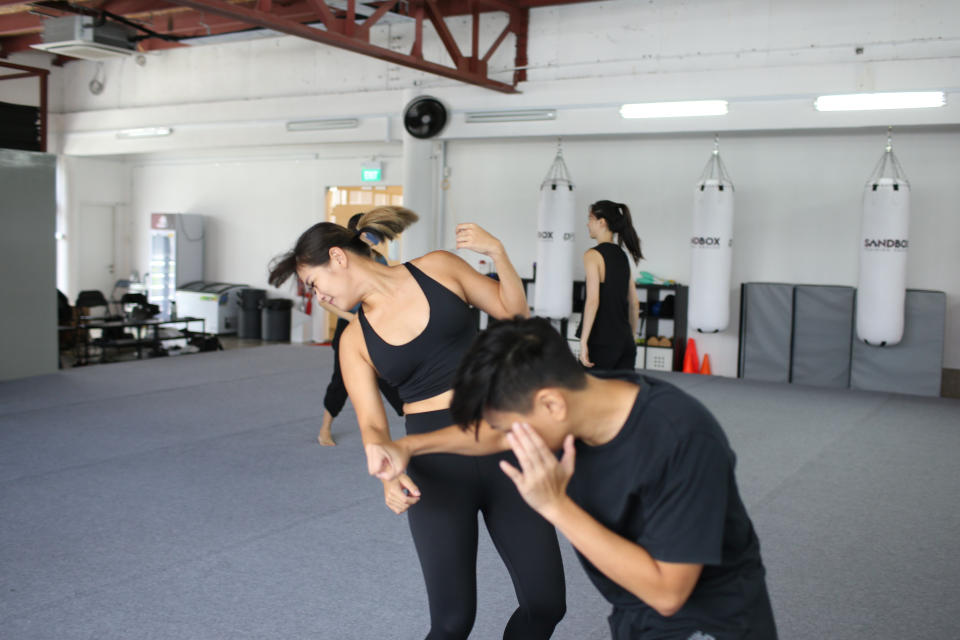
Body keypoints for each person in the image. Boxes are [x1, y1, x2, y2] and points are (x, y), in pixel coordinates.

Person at [267, 207, 566, 640]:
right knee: (451, 624)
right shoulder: (354, 340)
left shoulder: (438, 268)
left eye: (315, 284)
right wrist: (389, 474)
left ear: (338, 257)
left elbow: (513, 313)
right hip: (435, 470)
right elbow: (373, 424)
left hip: (507, 449)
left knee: (546, 604)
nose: (320, 298)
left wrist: (498, 252)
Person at [440, 316, 778, 640]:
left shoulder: (681, 438)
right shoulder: (585, 396)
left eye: (513, 429)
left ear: (552, 405)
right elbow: (493, 435)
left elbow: (668, 593)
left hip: (710, 621)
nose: (512, 442)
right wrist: (406, 446)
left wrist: (555, 505)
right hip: (633, 611)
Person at [315, 213, 403, 446]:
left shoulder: (379, 260)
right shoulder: (340, 261)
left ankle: (411, 417)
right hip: (350, 325)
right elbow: (324, 300)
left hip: (375, 324)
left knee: (388, 374)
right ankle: (325, 428)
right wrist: (352, 319)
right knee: (342, 380)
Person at [578, 200, 642, 370]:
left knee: (588, 394)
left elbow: (593, 301)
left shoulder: (592, 255)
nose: (587, 223)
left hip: (601, 342)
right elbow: (634, 303)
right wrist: (632, 338)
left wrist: (583, 342)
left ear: (602, 222)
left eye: (590, 218)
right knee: (621, 396)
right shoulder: (622, 256)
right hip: (625, 342)